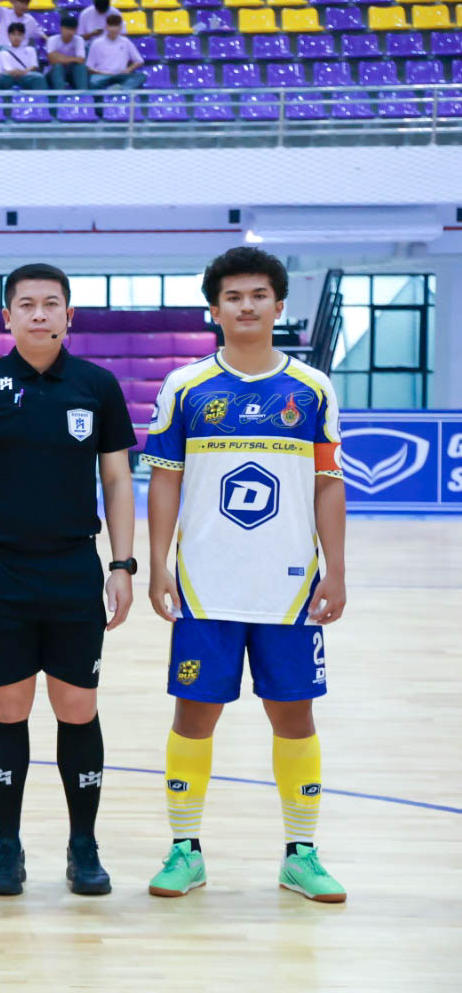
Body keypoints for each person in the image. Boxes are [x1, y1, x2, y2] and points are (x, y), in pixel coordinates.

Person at [142, 247, 348, 904]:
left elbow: (328, 483)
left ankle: (301, 854)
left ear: (279, 305)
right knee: (193, 714)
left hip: (289, 588)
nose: (247, 305)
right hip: (205, 585)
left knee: (294, 716)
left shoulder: (312, 389)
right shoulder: (186, 387)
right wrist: (158, 564)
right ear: (215, 309)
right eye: (233, 296)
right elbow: (164, 481)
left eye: (259, 295)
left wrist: (336, 570)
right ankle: (185, 849)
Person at [0, 263, 137, 898]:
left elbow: (116, 480)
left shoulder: (97, 386)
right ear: (7, 317)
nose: (39, 314)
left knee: (77, 708)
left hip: (75, 568)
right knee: (7, 708)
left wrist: (122, 564)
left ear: (69, 315)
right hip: (3, 572)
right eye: (26, 304)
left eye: (51, 303)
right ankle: (7, 846)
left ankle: (84, 845)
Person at [87, 14, 146, 92]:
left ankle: (119, 88)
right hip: (102, 76)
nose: (113, 29)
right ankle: (119, 89)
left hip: (121, 75)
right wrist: (104, 73)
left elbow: (139, 61)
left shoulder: (126, 42)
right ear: (106, 27)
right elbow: (89, 67)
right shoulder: (96, 43)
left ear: (120, 27)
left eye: (116, 26)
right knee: (93, 82)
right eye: (111, 26)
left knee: (141, 77)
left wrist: (128, 70)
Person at [0, 23, 46, 92]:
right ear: (9, 36)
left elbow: (34, 66)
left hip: (25, 76)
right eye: (13, 34)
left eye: (19, 34)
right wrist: (11, 72)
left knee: (39, 78)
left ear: (23, 36)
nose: (16, 37)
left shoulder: (30, 50)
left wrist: (23, 72)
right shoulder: (2, 53)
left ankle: (40, 98)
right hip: (8, 77)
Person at [45, 16, 88, 91]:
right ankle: (60, 95)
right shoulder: (52, 40)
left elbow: (81, 60)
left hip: (72, 72)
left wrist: (58, 57)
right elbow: (52, 60)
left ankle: (83, 93)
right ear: (61, 28)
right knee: (58, 66)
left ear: (76, 30)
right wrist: (74, 59)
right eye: (67, 29)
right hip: (53, 72)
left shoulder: (79, 40)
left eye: (72, 29)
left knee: (80, 67)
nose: (69, 32)